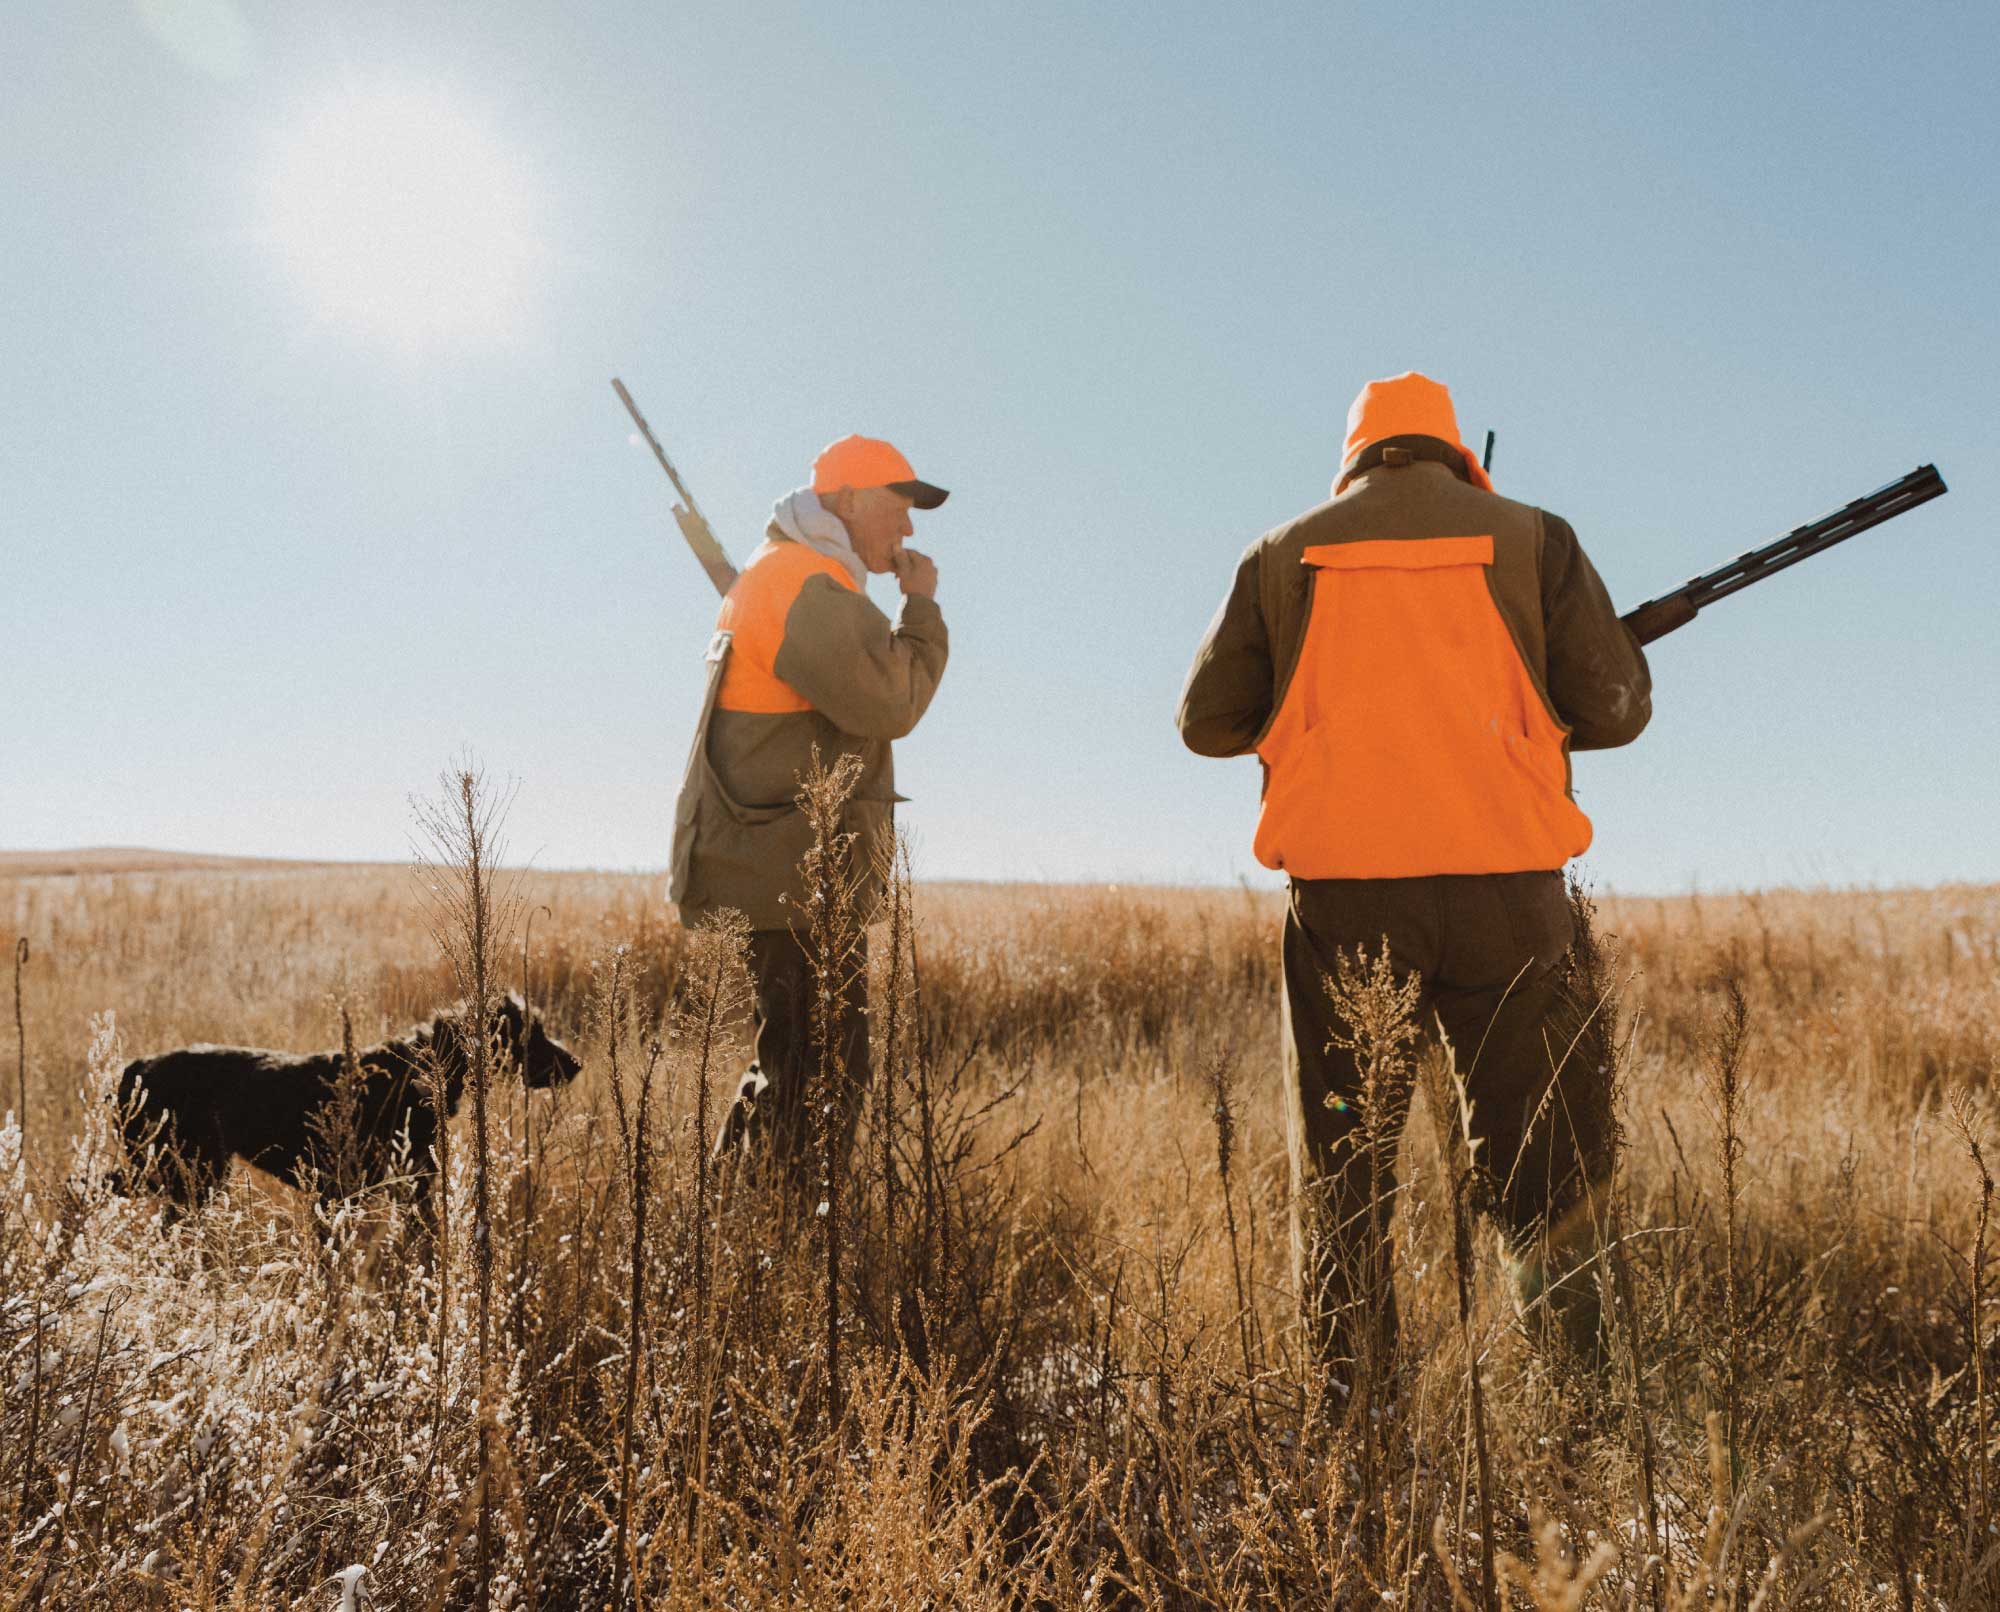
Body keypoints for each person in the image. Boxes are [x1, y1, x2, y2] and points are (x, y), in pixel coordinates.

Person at [1176, 372, 1651, 1376]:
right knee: (1537, 1157)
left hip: (1345, 908)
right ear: (1454, 455)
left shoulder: (1280, 552)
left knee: (1345, 1155)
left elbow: (1204, 723)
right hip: (1508, 903)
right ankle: (1574, 1394)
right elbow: (1611, 708)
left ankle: (1353, 1406)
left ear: (1352, 459)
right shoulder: (1533, 536)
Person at [670, 434, 949, 1181]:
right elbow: (892, 699)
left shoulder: (799, 576)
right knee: (817, 1072)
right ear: (849, 502)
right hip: (789, 868)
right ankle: (772, 1241)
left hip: (784, 862)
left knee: (798, 1062)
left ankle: (739, 1224)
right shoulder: (803, 582)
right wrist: (921, 608)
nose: (909, 530)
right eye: (898, 508)